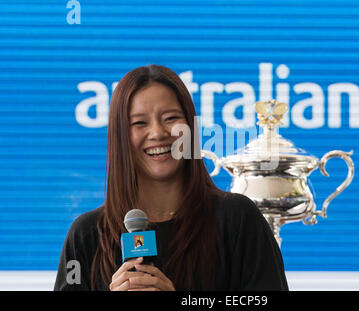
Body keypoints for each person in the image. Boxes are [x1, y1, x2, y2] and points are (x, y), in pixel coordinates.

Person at [54, 64, 289, 291]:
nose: (157, 133)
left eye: (170, 118)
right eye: (139, 123)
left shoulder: (238, 219)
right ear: (120, 137)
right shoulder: (85, 235)